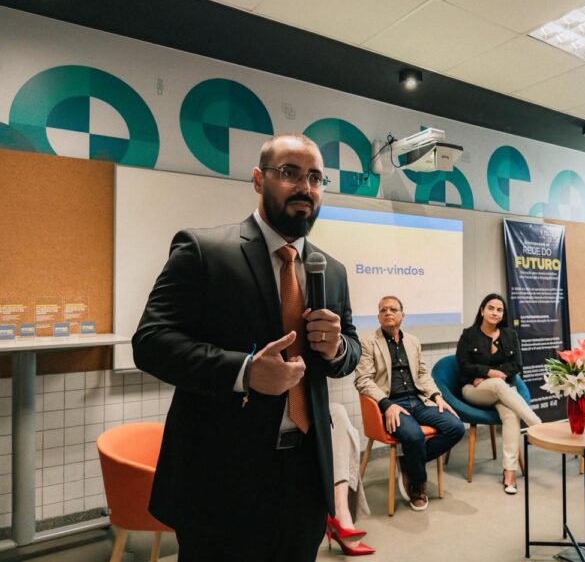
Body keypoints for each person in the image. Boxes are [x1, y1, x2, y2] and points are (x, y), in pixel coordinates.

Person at [132, 133, 361, 562]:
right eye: (289, 173)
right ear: (258, 179)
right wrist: (245, 371)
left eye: (315, 177)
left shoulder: (331, 270)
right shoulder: (203, 250)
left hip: (305, 479)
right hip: (222, 480)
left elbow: (351, 349)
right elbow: (150, 342)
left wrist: (336, 349)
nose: (305, 187)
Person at [354, 296, 464, 511]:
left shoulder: (412, 341)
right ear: (378, 317)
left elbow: (422, 373)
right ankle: (418, 484)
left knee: (456, 427)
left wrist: (437, 396)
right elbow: (363, 380)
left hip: (418, 401)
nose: (388, 312)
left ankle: (409, 462)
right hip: (392, 404)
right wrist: (386, 404)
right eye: (383, 310)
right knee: (414, 436)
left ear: (402, 315)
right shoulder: (368, 343)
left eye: (392, 309)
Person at [456, 293, 541, 495]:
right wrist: (488, 373)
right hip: (474, 391)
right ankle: (536, 425)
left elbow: (516, 365)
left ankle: (509, 473)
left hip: (501, 390)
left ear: (503, 314)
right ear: (482, 311)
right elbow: (463, 365)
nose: (495, 312)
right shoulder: (469, 334)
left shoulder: (510, 335)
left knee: (510, 415)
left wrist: (490, 375)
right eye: (491, 308)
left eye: (499, 309)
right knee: (497, 384)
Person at [326, 402, 375, 556]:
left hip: (305, 402)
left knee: (339, 413)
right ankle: (338, 522)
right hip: (271, 405)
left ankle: (340, 510)